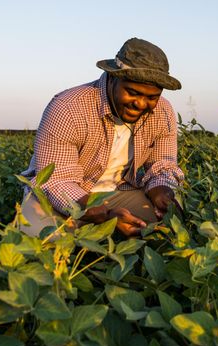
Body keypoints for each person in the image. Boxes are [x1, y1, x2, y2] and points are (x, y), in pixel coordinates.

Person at [20, 37, 184, 238]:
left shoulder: (163, 111)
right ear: (112, 78)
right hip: (63, 196)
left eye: (151, 97)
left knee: (170, 224)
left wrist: (161, 188)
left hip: (119, 193)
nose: (141, 104)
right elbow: (55, 182)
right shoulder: (68, 108)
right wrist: (106, 216)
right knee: (42, 240)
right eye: (132, 92)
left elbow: (163, 165)